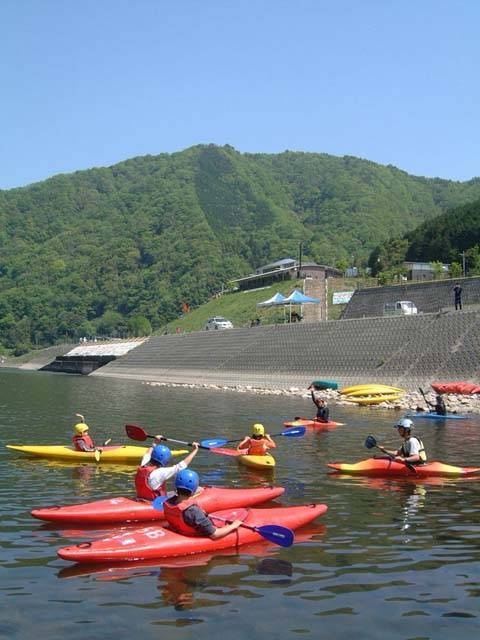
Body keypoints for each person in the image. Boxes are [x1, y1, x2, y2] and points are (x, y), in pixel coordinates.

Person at [163, 469, 243, 539]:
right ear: (193, 491)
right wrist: (233, 526)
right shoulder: (193, 511)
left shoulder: (169, 502)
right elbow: (214, 535)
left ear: (175, 487)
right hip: (192, 535)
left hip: (178, 530)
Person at [135, 437, 200, 500]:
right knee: (199, 490)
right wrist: (195, 450)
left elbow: (148, 453)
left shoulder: (143, 465)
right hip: (155, 503)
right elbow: (180, 466)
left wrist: (155, 443)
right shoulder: (161, 472)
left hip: (141, 498)